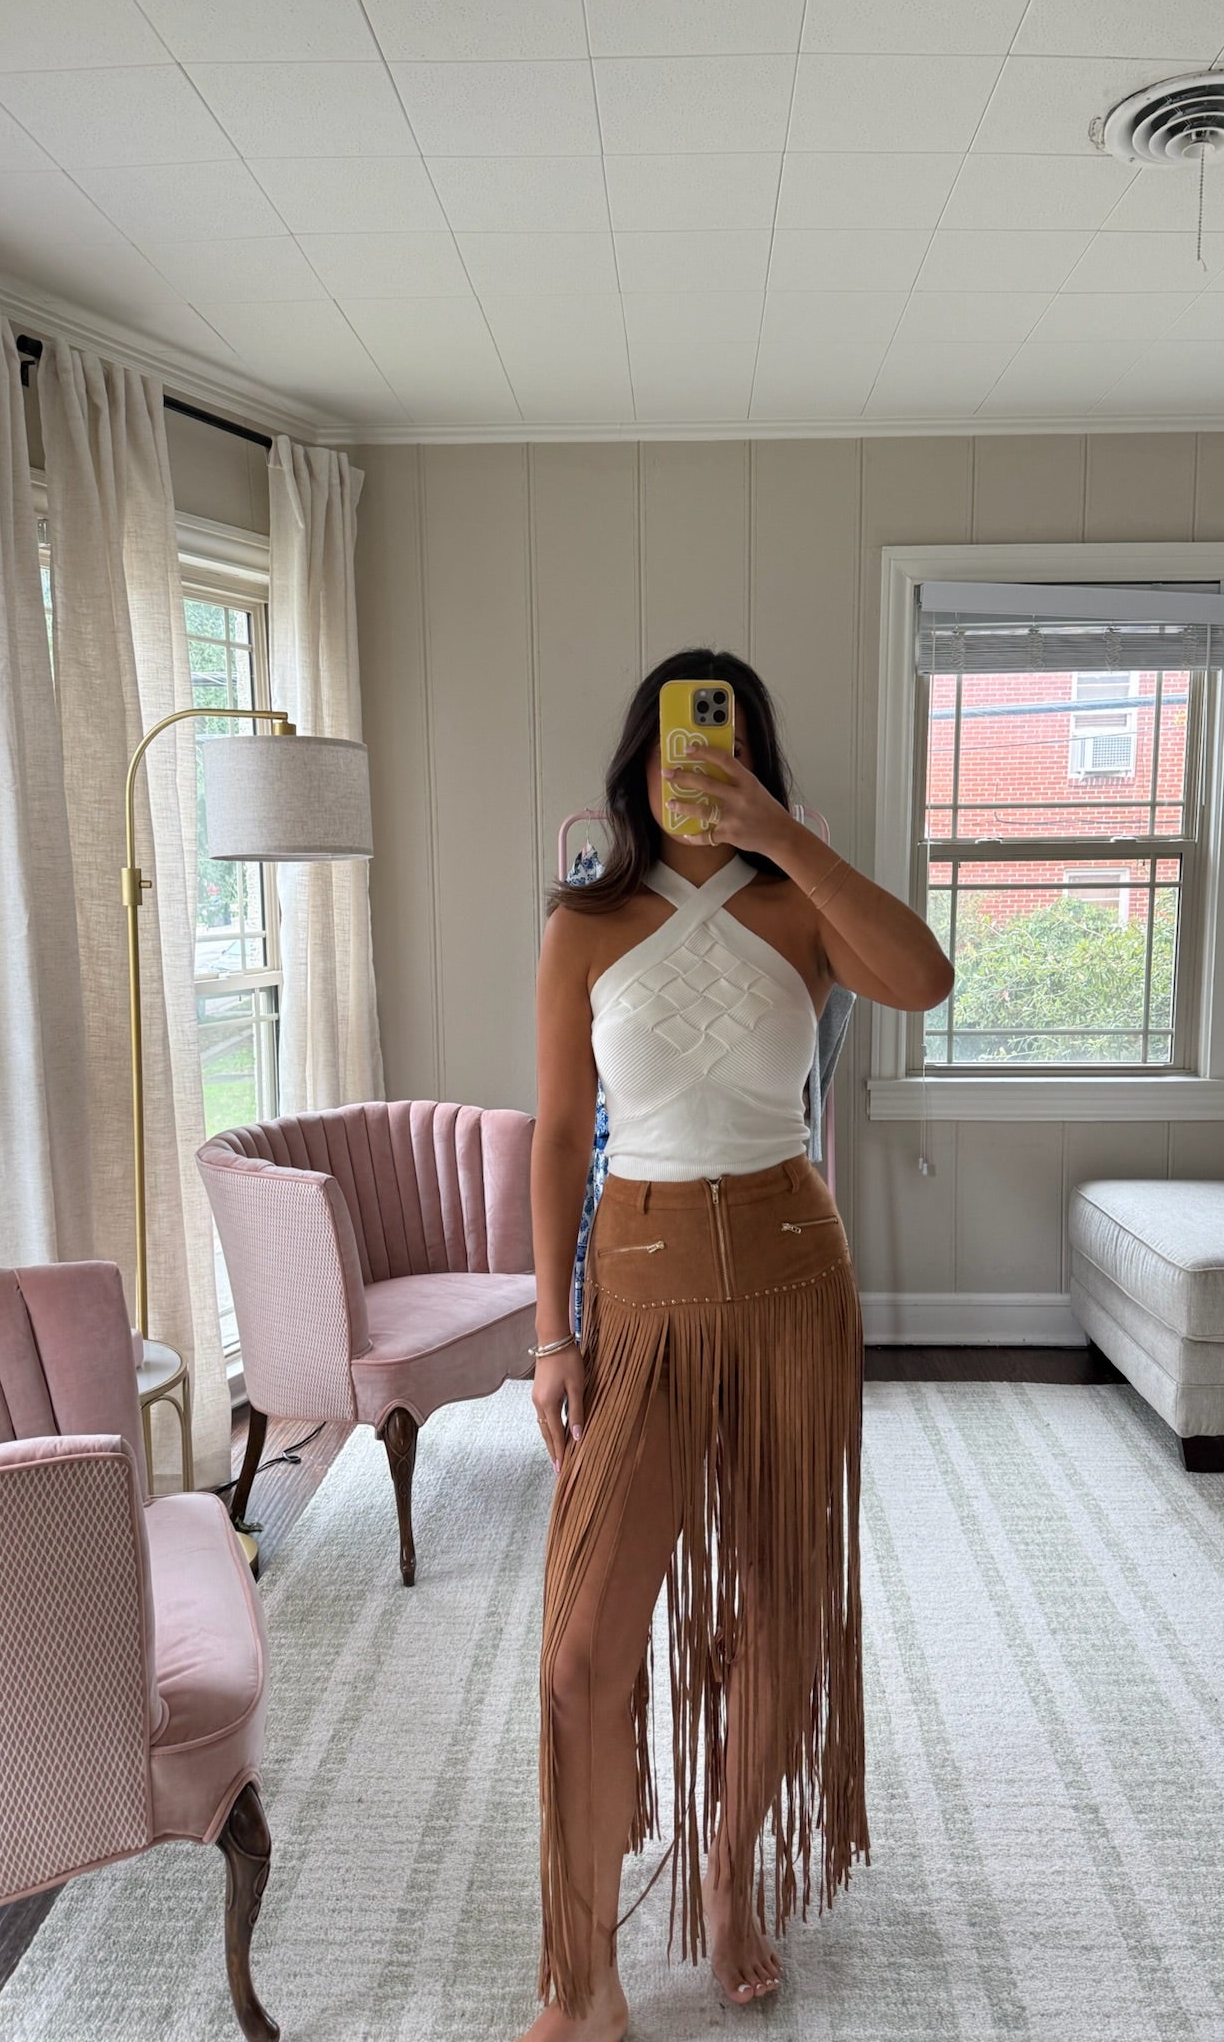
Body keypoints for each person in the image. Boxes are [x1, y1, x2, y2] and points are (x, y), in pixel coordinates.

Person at [521, 649, 953, 2041]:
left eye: (724, 745)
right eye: (675, 744)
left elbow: (925, 978)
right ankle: (585, 1982)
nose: (695, 766)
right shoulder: (584, 923)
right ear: (638, 764)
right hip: (640, 1292)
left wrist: (785, 838)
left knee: (782, 1605)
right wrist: (549, 1336)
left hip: (789, 1280)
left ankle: (727, 1871)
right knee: (581, 1652)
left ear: (755, 760)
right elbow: (557, 1139)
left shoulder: (800, 906)